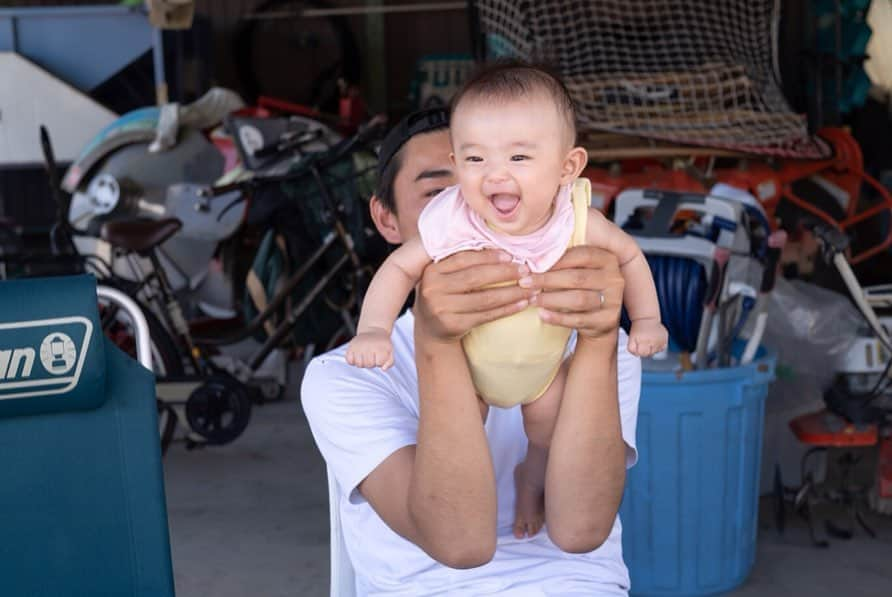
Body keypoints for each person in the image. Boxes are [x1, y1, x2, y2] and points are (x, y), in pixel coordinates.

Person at [301, 103, 641, 595]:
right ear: (387, 220)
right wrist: (437, 345)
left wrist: (599, 338)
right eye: (441, 193)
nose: (479, 210)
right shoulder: (347, 376)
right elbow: (459, 544)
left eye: (512, 178)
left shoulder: (598, 337)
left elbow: (581, 530)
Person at [344, 63, 664, 539]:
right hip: (470, 370)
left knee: (549, 436)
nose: (495, 176)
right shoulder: (454, 222)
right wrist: (373, 329)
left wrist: (644, 320)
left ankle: (529, 482)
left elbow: (631, 257)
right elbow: (398, 269)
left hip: (548, 369)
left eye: (519, 158)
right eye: (474, 161)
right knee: (457, 429)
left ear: (567, 167)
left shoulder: (575, 221)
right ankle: (493, 491)